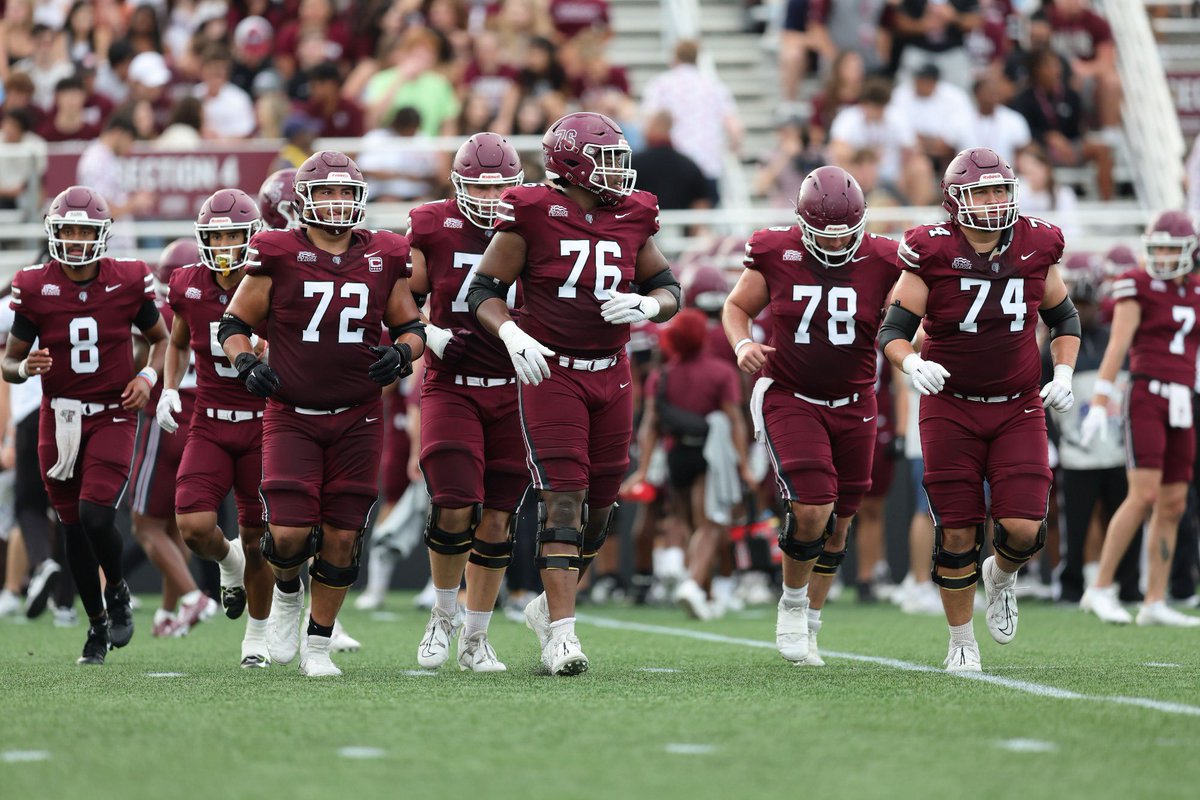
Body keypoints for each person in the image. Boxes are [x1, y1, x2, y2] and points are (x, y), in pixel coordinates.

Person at [470, 112, 680, 675]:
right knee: (563, 497)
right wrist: (511, 331)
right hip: (553, 371)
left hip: (611, 371)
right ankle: (562, 634)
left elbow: (669, 287)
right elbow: (484, 290)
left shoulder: (634, 215)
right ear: (570, 162)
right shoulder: (534, 210)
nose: (618, 172)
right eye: (605, 159)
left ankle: (547, 608)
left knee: (602, 508)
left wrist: (649, 305)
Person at [219, 151, 425, 677]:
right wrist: (245, 361)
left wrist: (401, 353)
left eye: (344, 192)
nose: (336, 203)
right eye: (326, 192)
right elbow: (232, 323)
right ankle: (288, 592)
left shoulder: (385, 254)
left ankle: (317, 645)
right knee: (287, 536)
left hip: (359, 414)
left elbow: (413, 328)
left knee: (342, 533)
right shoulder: (277, 251)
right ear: (304, 200)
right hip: (292, 413)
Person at [880, 147, 1080, 671]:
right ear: (955, 200)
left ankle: (1003, 575)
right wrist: (909, 363)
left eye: (1000, 190)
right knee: (957, 529)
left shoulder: (1037, 244)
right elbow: (893, 331)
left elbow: (1065, 318)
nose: (993, 202)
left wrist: (1063, 371)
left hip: (1017, 406)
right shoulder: (933, 250)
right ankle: (961, 640)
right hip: (950, 406)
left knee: (1025, 528)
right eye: (982, 191)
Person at [723, 165, 901, 665]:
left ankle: (812, 622)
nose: (836, 243)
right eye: (824, 233)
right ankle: (792, 604)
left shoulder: (885, 258)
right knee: (812, 507)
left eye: (845, 233)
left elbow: (913, 317)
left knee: (841, 521)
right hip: (791, 395)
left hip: (857, 401)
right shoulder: (775, 251)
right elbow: (736, 307)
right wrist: (741, 344)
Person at [2, 185, 169, 664]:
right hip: (60, 416)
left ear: (102, 235)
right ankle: (96, 626)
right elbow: (9, 363)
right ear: (54, 234)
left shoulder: (128, 280)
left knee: (97, 514)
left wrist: (147, 375)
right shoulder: (35, 286)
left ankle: (116, 589)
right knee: (71, 526)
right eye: (68, 230)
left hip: (114, 411)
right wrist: (24, 367)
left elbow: (159, 339)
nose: (76, 239)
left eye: (84, 230)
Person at [406, 132, 529, 672]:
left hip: (517, 384)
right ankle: (443, 612)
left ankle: (476, 638)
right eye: (480, 186)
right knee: (453, 504)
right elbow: (395, 291)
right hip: (452, 380)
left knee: (499, 517)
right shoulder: (432, 224)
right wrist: (424, 330)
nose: (492, 194)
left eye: (502, 185)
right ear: (457, 184)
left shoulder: (536, 222)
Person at [158, 193, 274, 665]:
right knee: (193, 526)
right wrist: (169, 387)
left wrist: (271, 352)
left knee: (260, 537)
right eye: (217, 235)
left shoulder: (271, 280)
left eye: (233, 234)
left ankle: (257, 640)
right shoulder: (188, 283)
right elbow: (178, 341)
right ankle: (230, 565)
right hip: (208, 421)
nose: (225, 245)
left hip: (265, 423)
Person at [1079, 212, 1200, 627]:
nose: (1164, 257)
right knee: (1143, 495)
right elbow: (1118, 345)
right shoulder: (1139, 284)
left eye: (1172, 248)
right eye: (1159, 248)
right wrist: (1100, 400)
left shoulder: (1196, 289)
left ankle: (1153, 600)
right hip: (1147, 394)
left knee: (1175, 503)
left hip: (1184, 398)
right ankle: (1099, 588)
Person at [130, 237, 214, 638]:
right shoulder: (212, 304)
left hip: (162, 422)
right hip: (201, 424)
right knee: (172, 527)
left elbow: (137, 360)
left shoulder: (159, 311)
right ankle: (167, 612)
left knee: (145, 527)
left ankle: (193, 596)